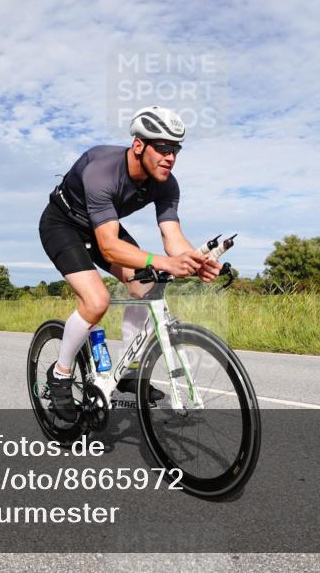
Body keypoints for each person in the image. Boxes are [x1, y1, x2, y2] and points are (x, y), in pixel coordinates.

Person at [38, 106, 221, 421]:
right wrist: (164, 261)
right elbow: (109, 248)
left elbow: (172, 237)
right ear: (139, 145)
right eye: (162, 148)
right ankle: (61, 373)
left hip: (101, 226)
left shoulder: (167, 183)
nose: (170, 157)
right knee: (96, 301)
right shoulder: (102, 170)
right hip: (63, 225)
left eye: (175, 149)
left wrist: (194, 259)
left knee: (148, 288)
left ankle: (128, 373)